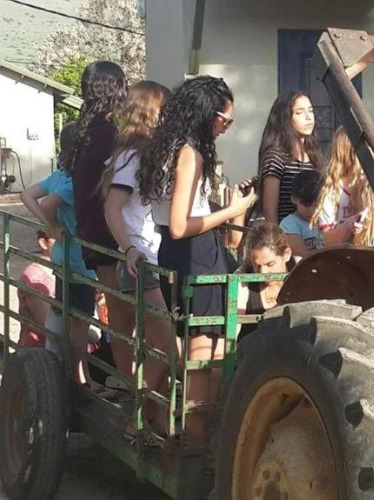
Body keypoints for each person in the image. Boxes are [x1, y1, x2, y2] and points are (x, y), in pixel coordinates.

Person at [137, 75, 256, 446]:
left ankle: (152, 423)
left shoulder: (163, 146)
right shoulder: (190, 153)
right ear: (207, 114)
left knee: (188, 351)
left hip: (174, 255)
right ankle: (194, 442)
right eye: (225, 120)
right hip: (196, 256)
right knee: (203, 357)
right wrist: (234, 210)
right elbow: (180, 225)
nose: (225, 127)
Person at [101, 80, 178, 434]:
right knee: (170, 349)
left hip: (148, 258)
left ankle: (152, 417)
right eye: (163, 111)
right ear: (149, 113)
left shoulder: (142, 156)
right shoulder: (131, 158)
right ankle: (140, 416)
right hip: (140, 262)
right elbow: (112, 208)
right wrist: (130, 249)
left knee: (154, 345)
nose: (167, 118)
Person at [66, 60, 131, 375]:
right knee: (123, 316)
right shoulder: (109, 133)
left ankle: (124, 379)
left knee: (119, 313)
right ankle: (131, 383)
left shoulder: (84, 131)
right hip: (108, 233)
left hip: (90, 230)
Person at [20, 124, 98, 382]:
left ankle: (76, 374)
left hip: (63, 257)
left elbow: (27, 195)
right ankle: (80, 378)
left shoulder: (58, 175)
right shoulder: (75, 181)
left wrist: (49, 225)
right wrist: (51, 223)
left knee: (69, 317)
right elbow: (48, 203)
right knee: (80, 324)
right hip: (80, 262)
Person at [313, 126, 374, 247]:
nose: (372, 157)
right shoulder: (332, 191)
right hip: (339, 253)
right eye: (366, 152)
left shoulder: (372, 185)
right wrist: (348, 226)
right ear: (349, 155)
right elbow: (326, 240)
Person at [256, 91, 323, 224]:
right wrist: (276, 237)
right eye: (299, 112)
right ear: (286, 118)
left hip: (313, 232)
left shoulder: (314, 155)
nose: (308, 117)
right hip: (286, 232)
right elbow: (270, 212)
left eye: (310, 111)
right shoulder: (276, 158)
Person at [280, 169, 360, 259]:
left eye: (317, 205)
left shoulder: (327, 220)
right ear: (294, 199)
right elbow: (302, 257)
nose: (312, 210)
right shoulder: (289, 224)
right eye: (306, 204)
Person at [235, 222, 295, 340]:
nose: (263, 272)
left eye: (270, 264)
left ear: (286, 254)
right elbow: (233, 332)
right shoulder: (242, 281)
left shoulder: (301, 277)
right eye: (257, 266)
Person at [16, 230, 55, 348]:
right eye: (58, 241)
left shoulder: (73, 271)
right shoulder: (34, 277)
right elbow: (46, 324)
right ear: (44, 243)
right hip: (41, 349)